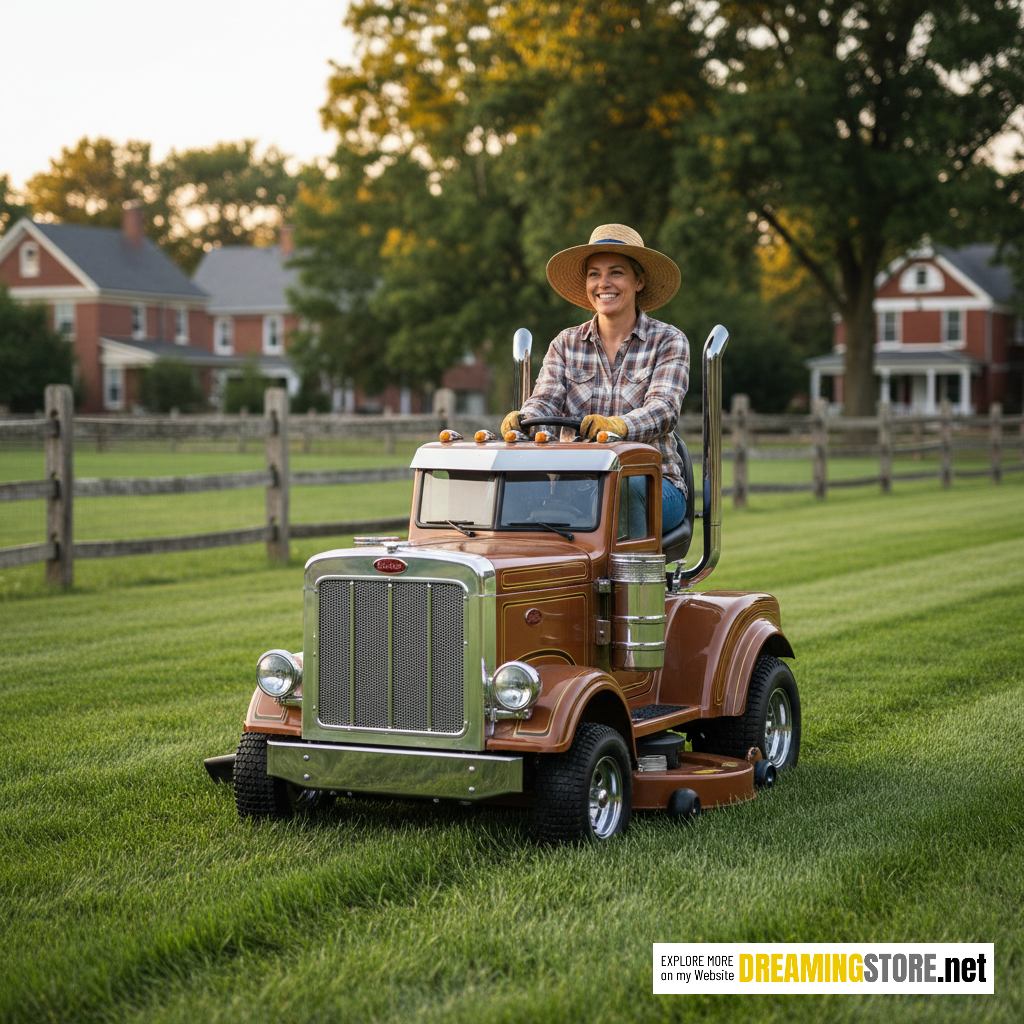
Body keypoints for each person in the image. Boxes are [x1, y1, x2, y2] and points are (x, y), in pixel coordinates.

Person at [501, 223, 690, 534]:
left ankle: (629, 582)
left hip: (652, 483)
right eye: (594, 274)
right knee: (511, 487)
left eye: (616, 272)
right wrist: (522, 421)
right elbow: (544, 403)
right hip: (577, 485)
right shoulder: (565, 343)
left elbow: (664, 410)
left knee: (620, 490)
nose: (604, 283)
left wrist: (618, 426)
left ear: (638, 281)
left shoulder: (669, 341)